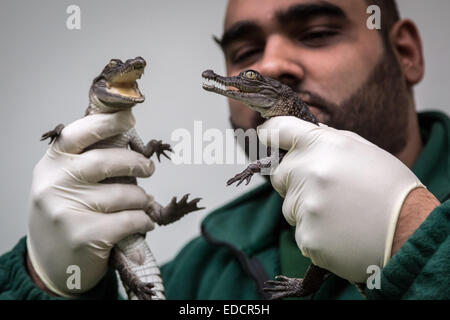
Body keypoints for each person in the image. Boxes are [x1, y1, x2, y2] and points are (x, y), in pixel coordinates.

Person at [0, 0, 448, 300]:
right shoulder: (195, 277)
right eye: (247, 49)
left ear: (405, 52)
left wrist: (420, 239)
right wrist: (47, 284)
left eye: (316, 33)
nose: (269, 64)